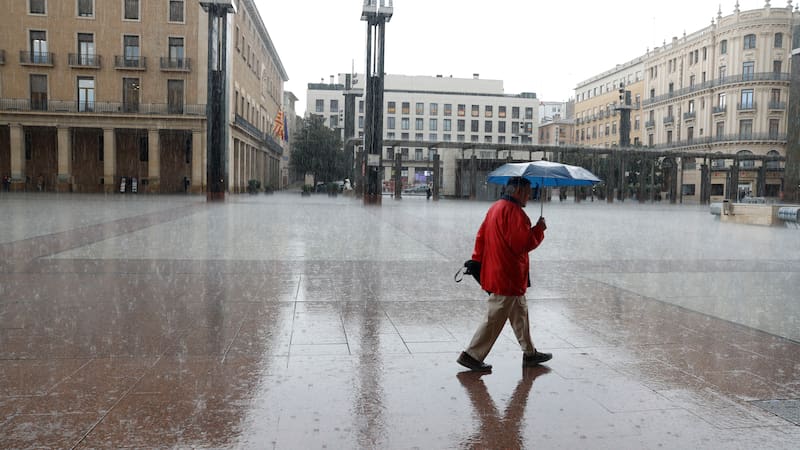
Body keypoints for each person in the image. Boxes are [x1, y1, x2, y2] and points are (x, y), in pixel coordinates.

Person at [457, 176, 552, 372]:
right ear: (517, 191)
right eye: (527, 192)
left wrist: (479, 261)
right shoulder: (515, 213)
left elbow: (481, 236)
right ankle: (471, 356)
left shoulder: (495, 208)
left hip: (500, 271)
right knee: (495, 317)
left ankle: (530, 353)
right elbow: (522, 244)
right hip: (507, 275)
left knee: (520, 314)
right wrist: (539, 230)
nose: (529, 197)